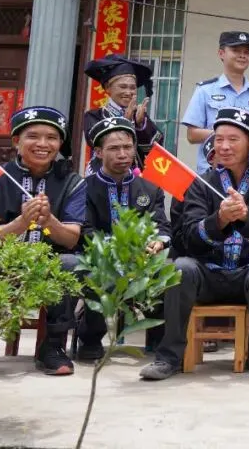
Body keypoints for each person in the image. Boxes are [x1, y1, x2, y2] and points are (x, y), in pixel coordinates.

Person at [141, 108, 249, 380]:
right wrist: (219, 220)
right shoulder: (200, 185)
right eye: (219, 139)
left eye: (233, 139)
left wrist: (247, 216)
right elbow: (187, 238)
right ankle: (168, 357)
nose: (224, 146)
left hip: (247, 274)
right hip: (207, 273)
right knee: (181, 268)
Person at [0, 107, 86, 375]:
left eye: (52, 138)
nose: (43, 144)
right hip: (4, 260)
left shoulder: (73, 182)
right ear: (16, 141)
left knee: (71, 263)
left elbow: (72, 238)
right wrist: (21, 224)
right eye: (33, 136)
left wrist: (49, 222)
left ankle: (53, 347)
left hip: (50, 262)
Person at [81, 117, 173, 355]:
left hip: (142, 260)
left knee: (166, 274)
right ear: (98, 152)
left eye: (127, 147)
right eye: (114, 148)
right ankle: (90, 341)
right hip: (100, 259)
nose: (123, 154)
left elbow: (161, 225)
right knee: (100, 277)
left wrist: (158, 242)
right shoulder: (84, 187)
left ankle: (158, 342)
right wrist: (117, 251)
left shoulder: (150, 188)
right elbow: (86, 230)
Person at [181, 31, 249, 174]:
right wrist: (228, 137)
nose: (242, 55)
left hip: (248, 174)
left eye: (247, 52)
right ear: (221, 53)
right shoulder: (205, 90)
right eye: (236, 50)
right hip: (212, 173)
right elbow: (192, 135)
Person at [82, 55, 163, 174]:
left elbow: (156, 147)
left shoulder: (139, 117)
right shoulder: (94, 116)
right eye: (123, 87)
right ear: (108, 88)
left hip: (136, 177)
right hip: (104, 176)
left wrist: (140, 126)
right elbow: (96, 143)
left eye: (133, 88)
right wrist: (125, 123)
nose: (128, 92)